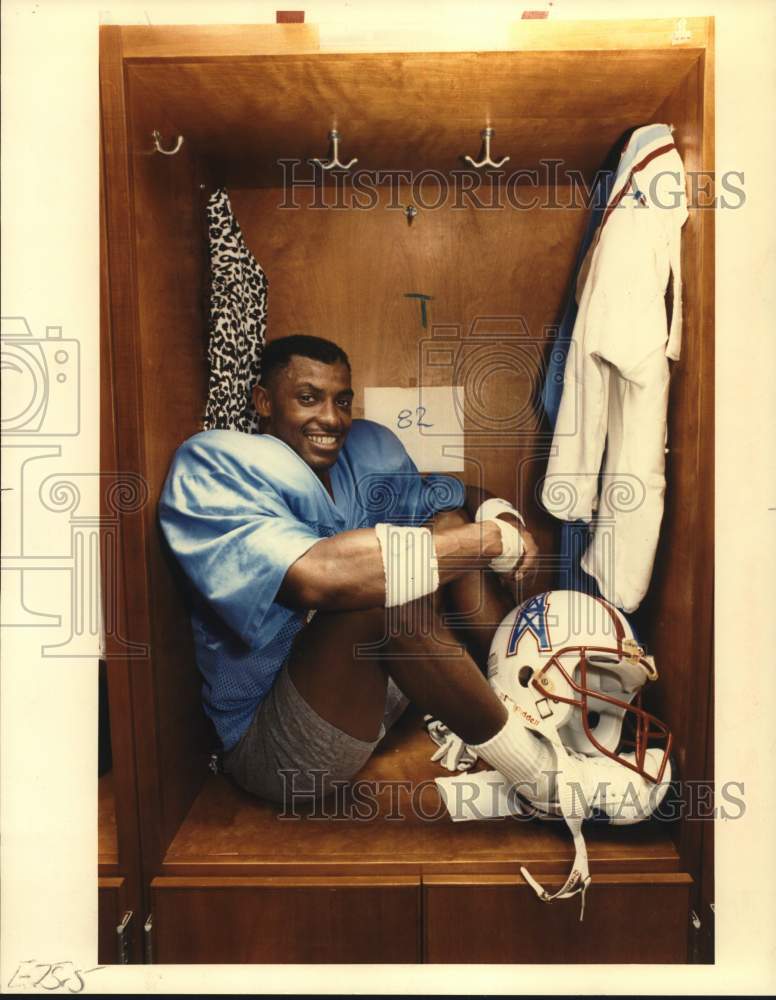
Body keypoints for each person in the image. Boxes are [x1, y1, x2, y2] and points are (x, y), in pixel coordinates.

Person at [159, 334, 554, 807]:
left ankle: (524, 691)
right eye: (308, 399)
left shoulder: (366, 451)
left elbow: (446, 494)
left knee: (448, 527)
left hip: (381, 695)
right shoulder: (215, 464)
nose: (331, 418)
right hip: (278, 742)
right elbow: (320, 576)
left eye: (341, 400)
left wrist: (498, 511)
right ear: (263, 401)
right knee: (376, 598)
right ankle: (543, 779)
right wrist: (493, 540)